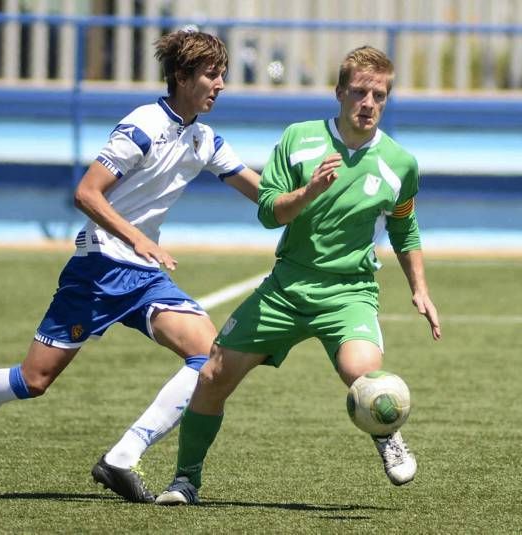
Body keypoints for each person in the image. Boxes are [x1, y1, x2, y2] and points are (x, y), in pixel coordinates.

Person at [0, 30, 260, 503]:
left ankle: (122, 458)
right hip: (99, 267)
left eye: (222, 73)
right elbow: (86, 193)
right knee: (33, 380)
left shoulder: (203, 139)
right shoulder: (143, 125)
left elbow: (258, 189)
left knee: (211, 358)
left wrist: (312, 195)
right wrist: (139, 237)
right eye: (211, 74)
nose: (221, 83)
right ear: (182, 77)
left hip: (142, 276)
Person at [155, 45, 441, 506]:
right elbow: (269, 212)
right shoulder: (299, 139)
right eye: (360, 92)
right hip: (285, 289)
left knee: (364, 374)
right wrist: (310, 191)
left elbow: (404, 226)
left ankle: (385, 431)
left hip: (349, 293)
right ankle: (185, 481)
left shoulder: (399, 164)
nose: (368, 103)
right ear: (340, 93)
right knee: (211, 377)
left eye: (379, 95)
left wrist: (420, 289)